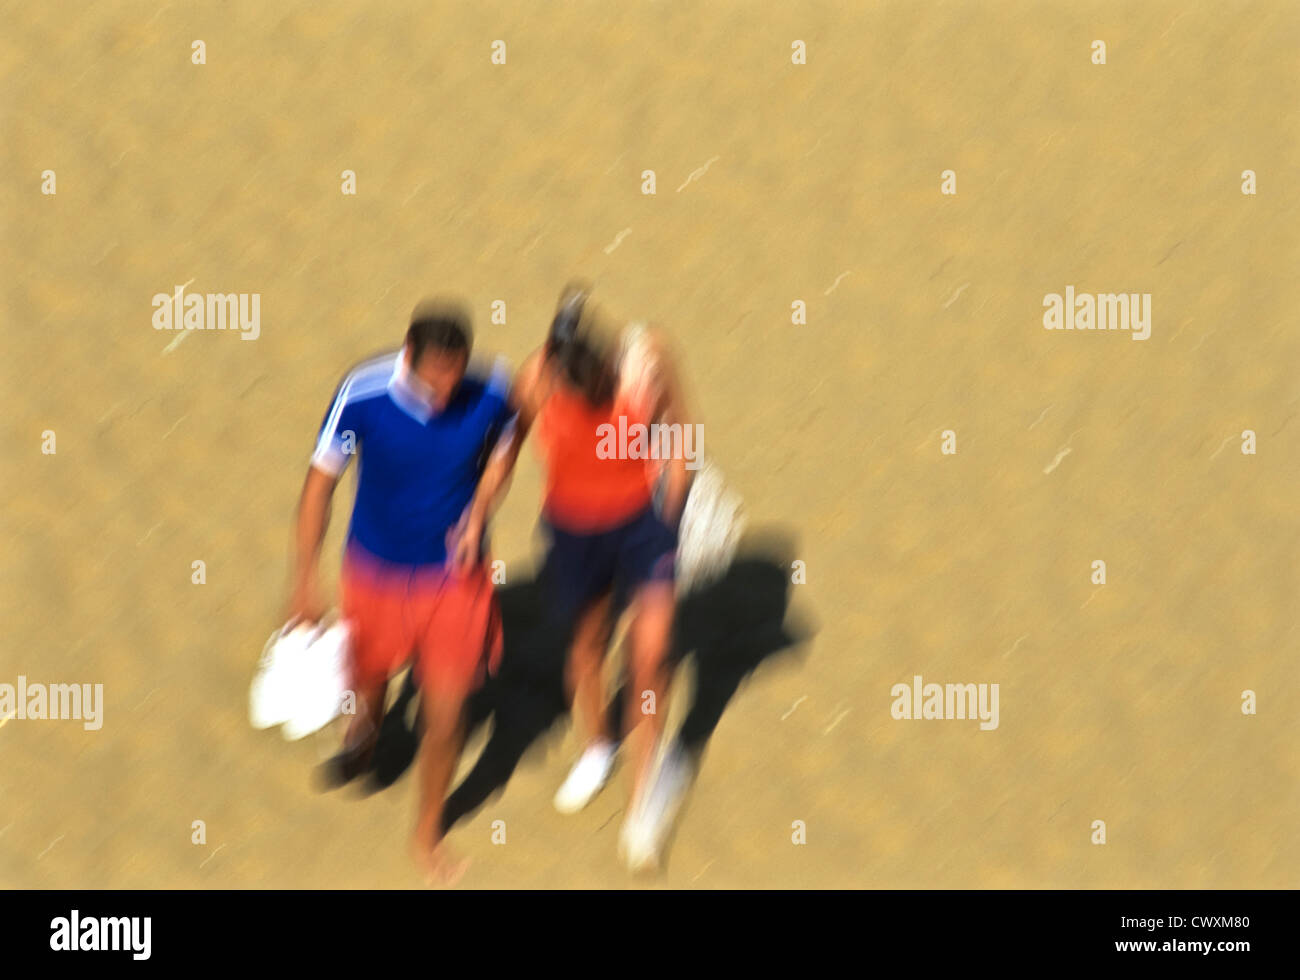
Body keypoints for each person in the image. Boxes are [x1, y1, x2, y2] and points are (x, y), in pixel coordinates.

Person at [452, 285, 693, 869]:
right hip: (574, 532)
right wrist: (477, 513)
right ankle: (598, 744)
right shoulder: (536, 379)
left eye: (588, 388)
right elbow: (506, 451)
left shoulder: (646, 364)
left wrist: (671, 511)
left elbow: (682, 433)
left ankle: (645, 799)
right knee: (587, 646)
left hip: (642, 523)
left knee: (651, 652)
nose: (579, 395)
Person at [287, 299, 513, 884]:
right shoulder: (362, 393)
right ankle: (363, 739)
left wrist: (482, 508)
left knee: (446, 716)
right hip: (372, 576)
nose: (443, 397)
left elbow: (507, 447)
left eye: (453, 381)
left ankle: (426, 832)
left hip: (454, 582)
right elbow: (319, 488)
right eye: (433, 382)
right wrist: (304, 586)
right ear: (408, 356)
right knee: (368, 692)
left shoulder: (491, 388)